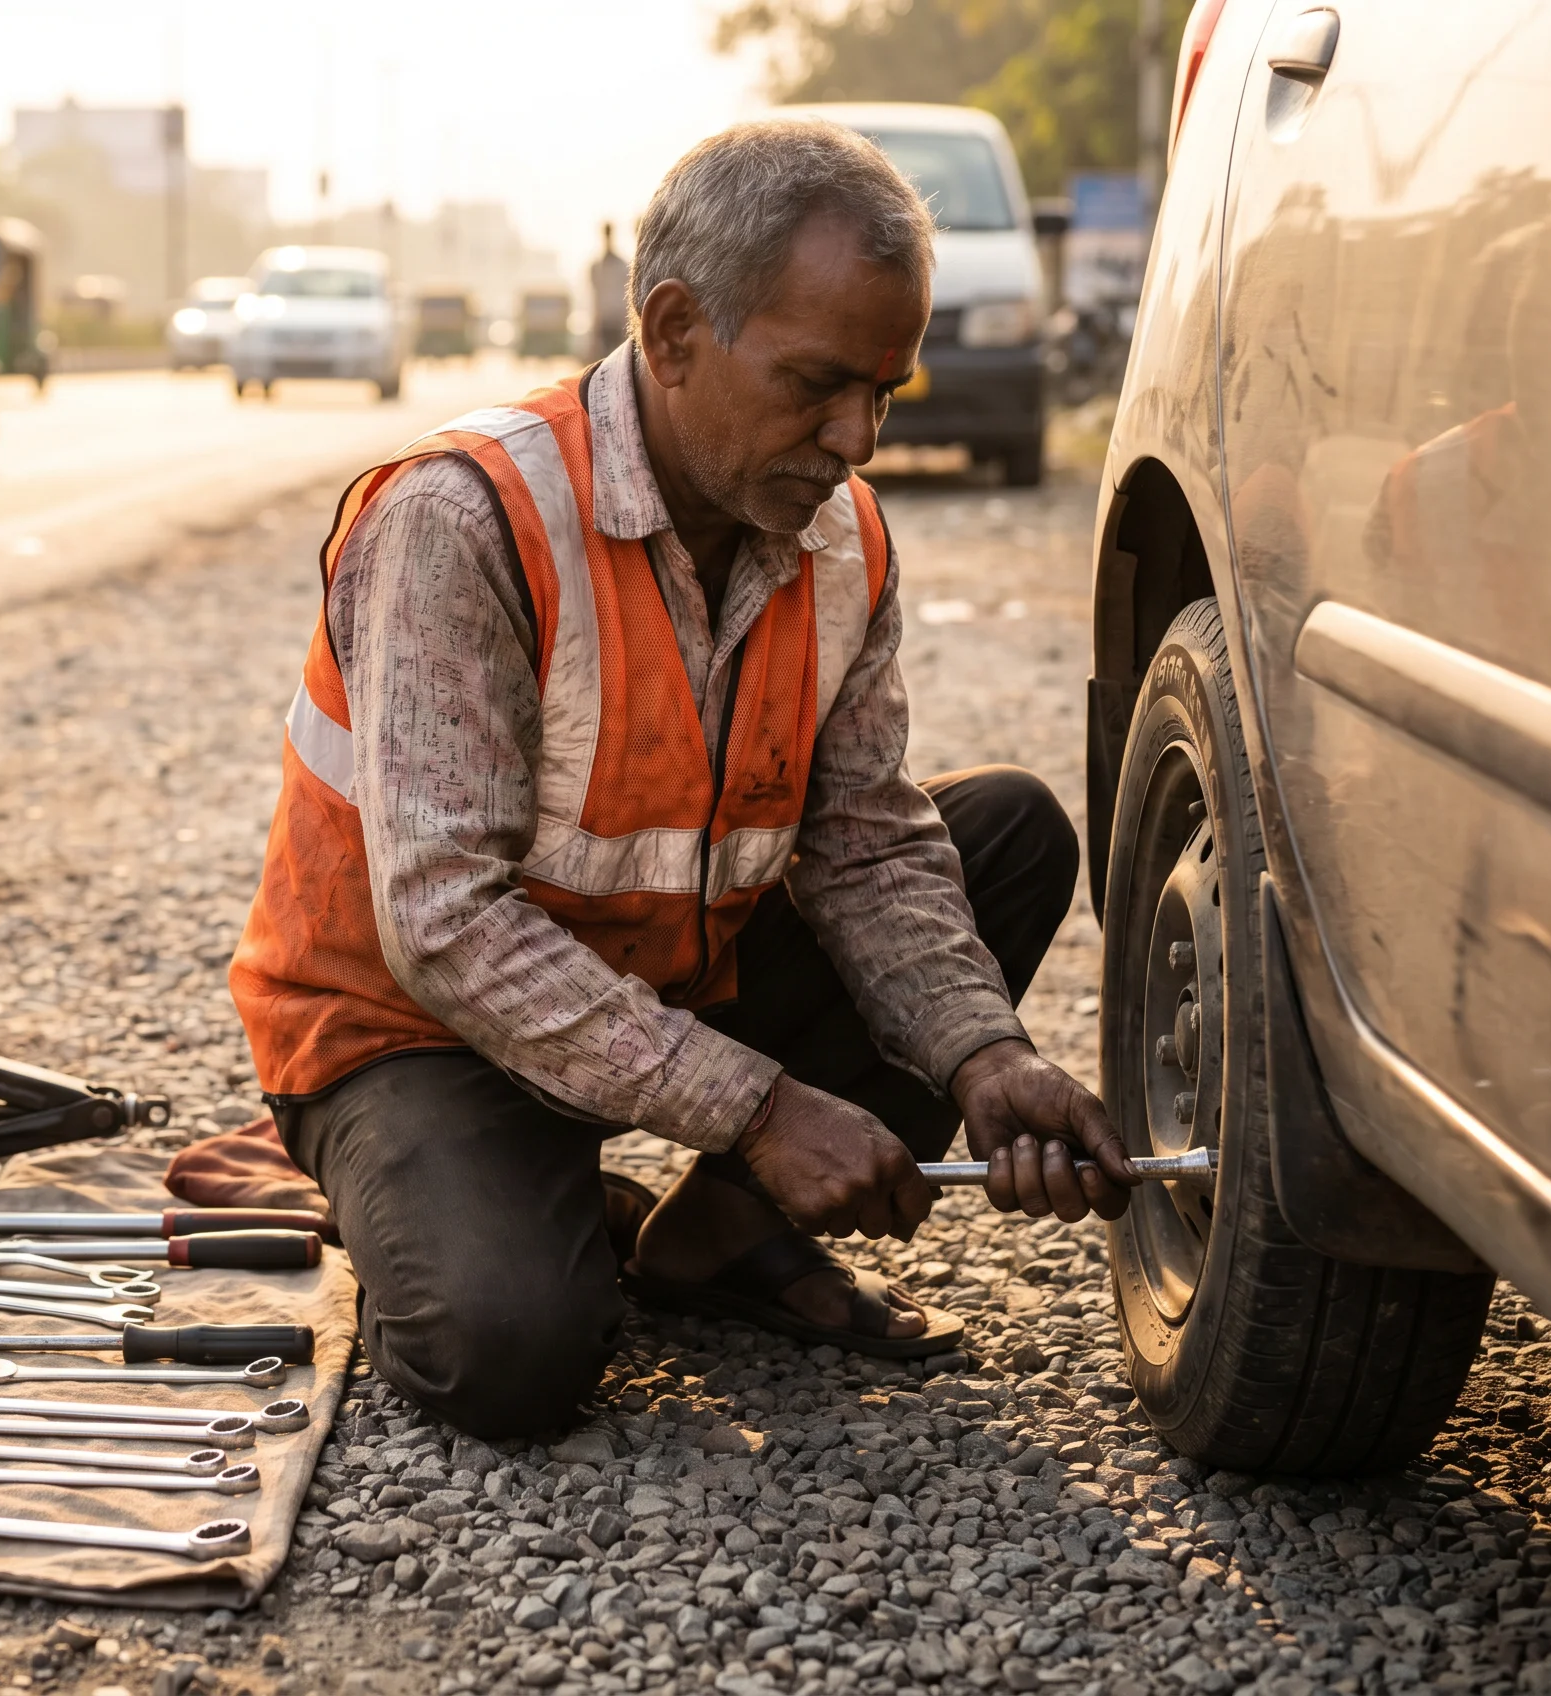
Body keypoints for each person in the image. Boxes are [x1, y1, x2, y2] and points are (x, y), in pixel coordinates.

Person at [230, 120, 1138, 1439]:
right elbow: (447, 927)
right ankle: (456, 1186)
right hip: (415, 1027)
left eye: (887, 390)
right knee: (508, 1350)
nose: (860, 439)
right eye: (821, 384)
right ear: (669, 333)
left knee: (1005, 831)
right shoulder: (463, 518)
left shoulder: (839, 539)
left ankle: (715, 1239)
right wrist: (759, 1105)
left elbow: (869, 845)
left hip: (670, 980)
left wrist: (984, 1057)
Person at [586, 221, 629, 363]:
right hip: (603, 322)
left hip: (618, 322)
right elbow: (594, 297)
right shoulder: (596, 267)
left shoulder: (622, 266)